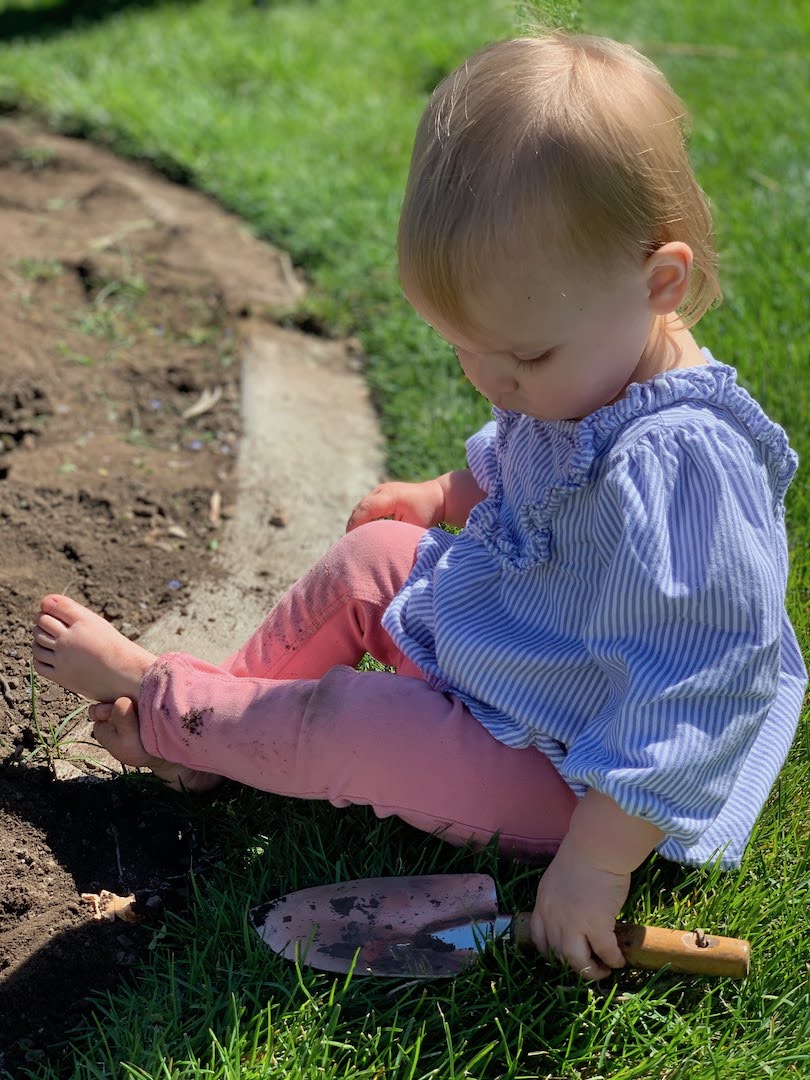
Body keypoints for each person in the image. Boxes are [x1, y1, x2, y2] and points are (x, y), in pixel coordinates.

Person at [31, 31, 806, 981]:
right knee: (376, 558)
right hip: (528, 641)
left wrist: (595, 863)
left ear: (661, 284)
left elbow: (699, 687)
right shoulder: (590, 358)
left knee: (360, 726)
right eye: (464, 350)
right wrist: (445, 495)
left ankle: (170, 698)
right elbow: (530, 456)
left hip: (581, 766)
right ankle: (219, 735)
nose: (495, 383)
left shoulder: (686, 471)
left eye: (521, 359)